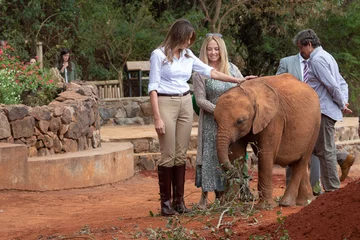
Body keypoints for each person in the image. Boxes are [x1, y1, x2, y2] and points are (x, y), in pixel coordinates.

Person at [148, 19, 247, 216]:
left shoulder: (188, 55)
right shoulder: (158, 55)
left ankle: (179, 202)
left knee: (181, 153)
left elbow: (210, 72)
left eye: (191, 40)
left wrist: (238, 79)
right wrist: (157, 117)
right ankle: (166, 203)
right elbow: (153, 87)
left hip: (185, 102)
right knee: (168, 153)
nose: (189, 43)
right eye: (187, 39)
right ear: (178, 36)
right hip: (166, 102)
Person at [276, 51, 358, 192]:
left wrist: (343, 101)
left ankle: (314, 187)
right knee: (301, 148)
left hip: (318, 111)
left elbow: (340, 83)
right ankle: (295, 189)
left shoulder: (319, 60)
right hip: (294, 113)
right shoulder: (287, 62)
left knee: (317, 148)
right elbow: (277, 85)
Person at [193, 34, 255, 209]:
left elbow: (243, 89)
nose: (213, 52)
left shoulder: (232, 69)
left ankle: (228, 194)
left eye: (216, 48)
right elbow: (200, 100)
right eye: (209, 49)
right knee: (210, 156)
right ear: (205, 51)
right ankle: (204, 196)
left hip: (231, 125)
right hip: (211, 121)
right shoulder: (200, 73)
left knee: (231, 156)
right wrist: (220, 112)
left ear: (222, 50)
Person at [293, 29, 354, 192]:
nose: (301, 52)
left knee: (325, 151)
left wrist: (342, 103)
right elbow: (342, 83)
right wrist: (344, 100)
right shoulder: (327, 56)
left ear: (309, 44)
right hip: (325, 110)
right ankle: (342, 158)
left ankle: (333, 190)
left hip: (323, 111)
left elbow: (333, 85)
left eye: (301, 48)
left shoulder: (317, 60)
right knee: (315, 148)